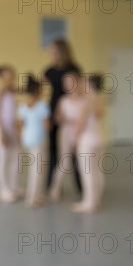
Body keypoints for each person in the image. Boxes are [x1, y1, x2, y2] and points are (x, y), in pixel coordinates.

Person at [43, 38, 82, 195]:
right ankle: (52, 185)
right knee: (52, 150)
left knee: (74, 151)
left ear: (61, 51)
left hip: (70, 113)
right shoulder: (49, 70)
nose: (51, 53)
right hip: (53, 112)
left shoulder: (74, 68)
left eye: (54, 50)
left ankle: (82, 185)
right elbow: (38, 86)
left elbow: (81, 91)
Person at [48, 70, 87, 202]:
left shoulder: (84, 100)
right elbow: (57, 118)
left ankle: (87, 189)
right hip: (65, 133)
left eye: (71, 82)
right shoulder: (63, 100)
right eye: (66, 83)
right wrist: (65, 119)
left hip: (81, 134)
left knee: (83, 162)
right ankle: (55, 188)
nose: (68, 85)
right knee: (64, 162)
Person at [72, 74, 106, 213]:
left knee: (87, 172)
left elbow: (80, 123)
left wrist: (75, 137)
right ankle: (96, 200)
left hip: (87, 141)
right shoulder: (99, 99)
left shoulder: (87, 101)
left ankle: (89, 203)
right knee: (98, 171)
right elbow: (99, 116)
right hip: (99, 138)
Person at [0, 64, 24, 202]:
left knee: (18, 156)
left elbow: (13, 112)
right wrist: (2, 131)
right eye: (9, 73)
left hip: (12, 128)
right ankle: (3, 190)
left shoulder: (12, 91)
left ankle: (13, 186)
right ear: (3, 75)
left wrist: (17, 129)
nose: (12, 74)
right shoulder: (0, 92)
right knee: (3, 157)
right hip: (1, 128)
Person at [17, 76, 50, 208]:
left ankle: (36, 195)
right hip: (39, 139)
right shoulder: (42, 106)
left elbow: (20, 124)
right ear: (39, 91)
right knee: (37, 170)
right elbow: (47, 125)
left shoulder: (23, 106)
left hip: (27, 139)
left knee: (33, 168)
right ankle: (32, 198)